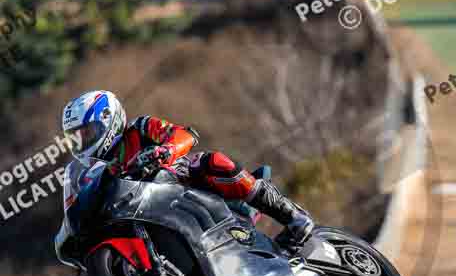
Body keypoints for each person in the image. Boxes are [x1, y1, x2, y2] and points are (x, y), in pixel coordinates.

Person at [61, 90, 314, 245]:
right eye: (78, 137)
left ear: (108, 119)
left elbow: (184, 135)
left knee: (212, 160)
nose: (84, 140)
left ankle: (292, 216)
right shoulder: (103, 171)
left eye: (88, 132)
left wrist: (165, 150)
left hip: (181, 184)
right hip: (149, 213)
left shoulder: (140, 127)